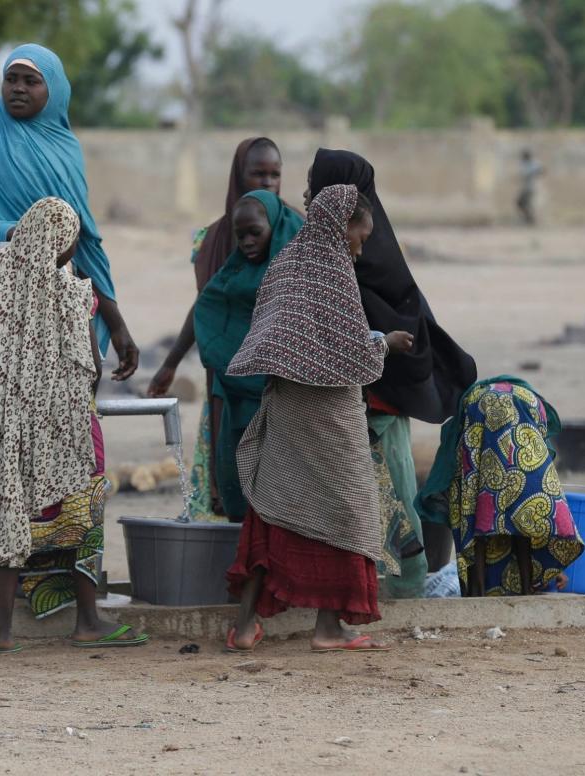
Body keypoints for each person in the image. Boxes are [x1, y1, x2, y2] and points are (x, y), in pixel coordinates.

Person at [0, 43, 140, 507]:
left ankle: (49, 540)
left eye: (32, 81)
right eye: (13, 79)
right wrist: (22, 233)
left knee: (56, 422)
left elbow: (83, 241)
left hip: (62, 317)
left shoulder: (66, 149)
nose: (19, 89)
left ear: (56, 89)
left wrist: (118, 323)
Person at [224, 184, 414, 653]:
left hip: (287, 413)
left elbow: (273, 335)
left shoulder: (286, 263)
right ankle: (329, 629)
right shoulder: (332, 272)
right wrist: (384, 344)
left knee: (272, 511)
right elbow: (349, 352)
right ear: (340, 225)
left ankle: (245, 627)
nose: (360, 247)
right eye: (360, 236)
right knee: (349, 512)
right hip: (330, 419)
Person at [0, 197, 148, 652]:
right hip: (72, 430)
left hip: (12, 430)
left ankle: (2, 630)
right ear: (60, 241)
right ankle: (88, 620)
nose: (74, 249)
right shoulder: (71, 291)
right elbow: (89, 365)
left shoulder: (2, 281)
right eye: (73, 240)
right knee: (81, 517)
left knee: (13, 514)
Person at [305, 149, 478, 597]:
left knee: (384, 502)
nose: (306, 194)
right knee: (373, 504)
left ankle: (392, 591)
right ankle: (377, 591)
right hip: (356, 403)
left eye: (315, 185)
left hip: (370, 405)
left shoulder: (351, 251)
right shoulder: (339, 252)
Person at [148, 137, 284, 520]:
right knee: (230, 473)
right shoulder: (214, 239)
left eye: (275, 174)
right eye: (257, 173)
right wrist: (172, 361)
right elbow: (206, 305)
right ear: (238, 176)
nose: (268, 182)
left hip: (280, 379)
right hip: (226, 375)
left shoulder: (295, 232)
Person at [184, 190, 302, 521]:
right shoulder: (232, 277)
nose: (247, 242)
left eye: (255, 233)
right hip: (239, 396)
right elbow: (208, 310)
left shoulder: (294, 272)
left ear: (275, 227)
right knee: (241, 479)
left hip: (285, 401)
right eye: (241, 236)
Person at [415, 377, 585, 596]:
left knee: (479, 525)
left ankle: (478, 593)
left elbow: (452, 475)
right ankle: (523, 589)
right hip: (521, 421)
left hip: (481, 430)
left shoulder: (474, 413)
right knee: (522, 528)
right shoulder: (528, 410)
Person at [517, 149, 543, 226]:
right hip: (525, 187)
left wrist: (533, 174)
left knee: (523, 203)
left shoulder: (533, 163)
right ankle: (530, 219)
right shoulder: (524, 164)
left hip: (531, 187)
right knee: (522, 203)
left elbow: (542, 170)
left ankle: (530, 219)